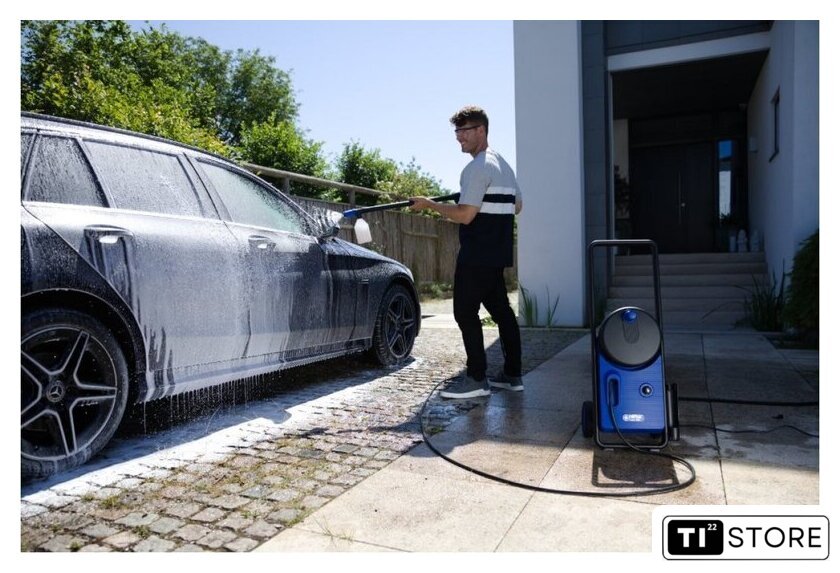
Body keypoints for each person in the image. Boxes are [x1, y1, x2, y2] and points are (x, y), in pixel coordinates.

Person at [409, 105, 523, 399]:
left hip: (476, 255)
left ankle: (476, 379)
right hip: (496, 255)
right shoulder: (503, 166)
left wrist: (429, 205)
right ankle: (513, 375)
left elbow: (465, 215)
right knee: (502, 313)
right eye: (456, 132)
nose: (459, 137)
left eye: (464, 131)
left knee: (464, 312)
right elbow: (517, 205)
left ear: (481, 130)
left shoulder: (477, 168)